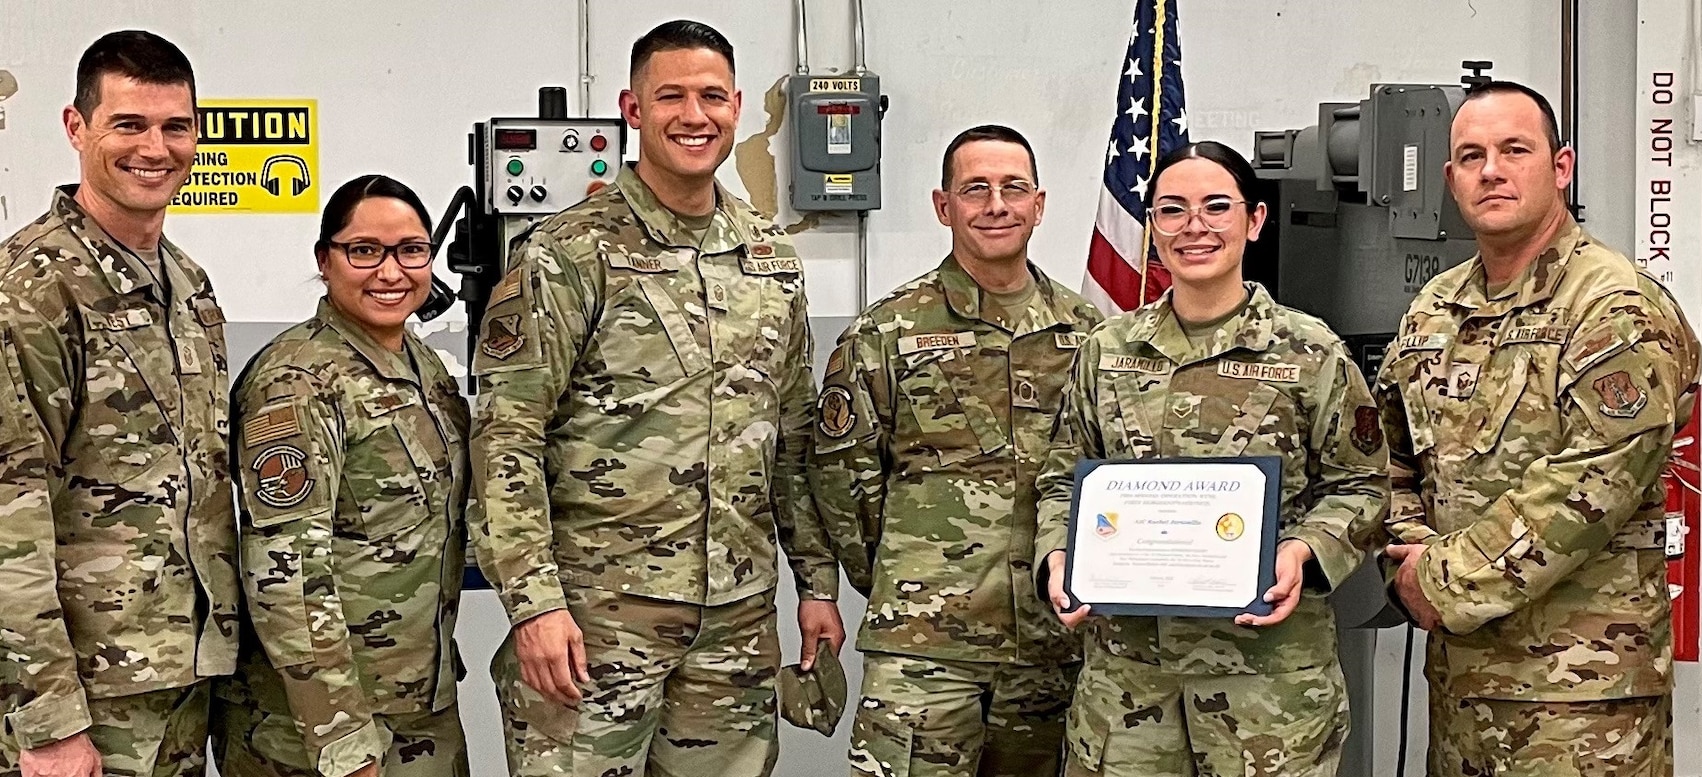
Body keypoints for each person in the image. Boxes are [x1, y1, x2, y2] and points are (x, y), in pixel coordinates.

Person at [469, 19, 842, 777]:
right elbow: (506, 437)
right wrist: (535, 603)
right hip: (596, 621)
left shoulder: (771, 259)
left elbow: (793, 440)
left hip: (734, 624)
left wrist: (817, 584)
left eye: (711, 96)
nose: (693, 115)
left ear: (737, 107)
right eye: (669, 96)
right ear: (632, 110)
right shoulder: (567, 253)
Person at [1373, 80, 1700, 776]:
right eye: (1471, 156)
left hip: (1580, 700)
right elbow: (1387, 454)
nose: (1491, 170)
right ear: (1450, 179)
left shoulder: (1612, 304)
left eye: (1514, 149)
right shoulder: (1436, 308)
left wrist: (1443, 578)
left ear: (1561, 167)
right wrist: (1406, 558)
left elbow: (1592, 482)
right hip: (1463, 687)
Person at [1034, 140, 1388, 777]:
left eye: (1216, 207)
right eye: (1172, 210)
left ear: (1254, 221)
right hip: (1128, 683)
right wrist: (1057, 557)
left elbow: (1362, 486)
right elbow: (1063, 476)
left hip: (1267, 686)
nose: (1194, 227)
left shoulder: (1312, 353)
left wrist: (1303, 552)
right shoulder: (1106, 350)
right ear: (1152, 230)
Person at [813, 125, 1102, 776]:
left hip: (1054, 647)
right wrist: (908, 579)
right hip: (925, 649)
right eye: (976, 189)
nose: (996, 204)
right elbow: (841, 480)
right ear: (944, 206)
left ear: (1039, 203)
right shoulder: (887, 331)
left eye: (1013, 188)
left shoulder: (1091, 335)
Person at [0, 30, 239, 777]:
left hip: (178, 685)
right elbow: (8, 510)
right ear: (77, 128)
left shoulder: (189, 286)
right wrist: (45, 720)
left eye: (175, 126)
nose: (155, 148)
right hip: (82, 705)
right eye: (128, 124)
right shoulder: (32, 292)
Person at [211, 175, 469, 777]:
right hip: (315, 728)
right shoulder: (297, 382)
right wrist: (343, 741)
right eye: (364, 251)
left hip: (417, 708)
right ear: (325, 261)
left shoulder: (420, 363)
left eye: (411, 250)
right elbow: (288, 575)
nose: (390, 272)